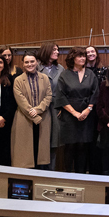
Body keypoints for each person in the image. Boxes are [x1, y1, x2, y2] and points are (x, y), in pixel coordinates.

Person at [54, 46, 100, 173]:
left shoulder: (90, 74)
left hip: (87, 115)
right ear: (72, 58)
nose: (83, 58)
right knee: (69, 146)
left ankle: (81, 175)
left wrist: (88, 110)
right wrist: (75, 113)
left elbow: (95, 93)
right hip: (69, 116)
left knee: (83, 146)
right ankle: (68, 175)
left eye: (84, 56)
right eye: (80, 56)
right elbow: (61, 96)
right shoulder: (64, 75)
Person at [11, 53, 53, 169]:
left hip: (43, 118)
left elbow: (48, 96)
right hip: (24, 118)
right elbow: (21, 100)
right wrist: (32, 113)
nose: (30, 64)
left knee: (40, 151)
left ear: (37, 62)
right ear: (23, 64)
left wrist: (37, 110)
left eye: (32, 61)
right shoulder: (18, 80)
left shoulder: (44, 78)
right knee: (25, 153)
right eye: (27, 62)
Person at [37, 42, 64, 170]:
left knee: (54, 142)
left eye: (57, 50)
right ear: (47, 51)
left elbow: (64, 90)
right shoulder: (36, 67)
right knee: (41, 140)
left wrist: (62, 107)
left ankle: (50, 173)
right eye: (54, 49)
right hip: (40, 108)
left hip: (56, 109)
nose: (57, 52)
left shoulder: (61, 69)